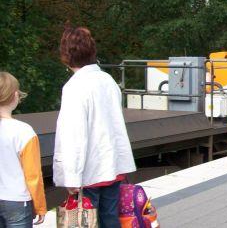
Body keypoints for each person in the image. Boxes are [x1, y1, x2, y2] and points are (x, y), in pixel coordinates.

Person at [54, 26, 136, 226]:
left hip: (89, 170)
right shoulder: (108, 80)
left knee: (86, 222)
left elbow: (74, 135)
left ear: (66, 55)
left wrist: (71, 176)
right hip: (113, 165)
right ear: (92, 51)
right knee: (110, 218)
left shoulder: (75, 87)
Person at [0, 72, 46, 227]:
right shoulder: (24, 131)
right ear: (15, 95)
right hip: (17, 201)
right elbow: (33, 175)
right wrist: (40, 206)